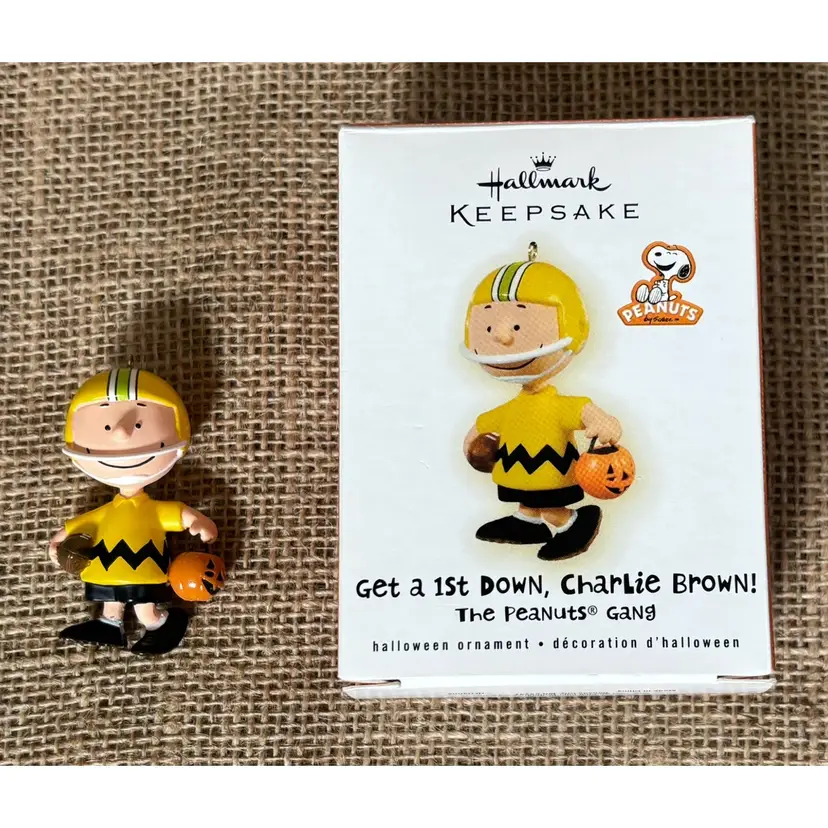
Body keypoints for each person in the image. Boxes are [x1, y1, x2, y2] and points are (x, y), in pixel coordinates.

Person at [462, 245, 622, 561]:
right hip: (517, 476)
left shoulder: (558, 406)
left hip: (553, 474)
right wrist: (471, 444)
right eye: (488, 327)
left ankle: (573, 522)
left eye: (518, 326)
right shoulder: (511, 409)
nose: (502, 337)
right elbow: (485, 423)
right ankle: (527, 522)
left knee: (549, 505)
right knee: (528, 501)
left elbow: (584, 412)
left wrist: (605, 425)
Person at [49, 368, 218, 653]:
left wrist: (197, 521)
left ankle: (161, 624)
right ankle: (109, 625)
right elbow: (84, 523)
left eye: (140, 423)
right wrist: (59, 540)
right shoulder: (106, 512)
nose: (121, 432)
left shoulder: (151, 510)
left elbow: (177, 514)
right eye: (105, 426)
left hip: (145, 567)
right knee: (111, 602)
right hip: (107, 568)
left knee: (144, 608)